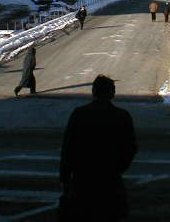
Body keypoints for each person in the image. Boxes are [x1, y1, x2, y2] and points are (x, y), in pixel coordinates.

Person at [59, 75, 137, 222]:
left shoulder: (79, 114)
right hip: (110, 181)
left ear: (94, 91)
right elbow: (130, 148)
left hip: (83, 181)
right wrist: (117, 168)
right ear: (112, 93)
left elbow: (68, 149)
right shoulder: (122, 116)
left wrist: (65, 178)